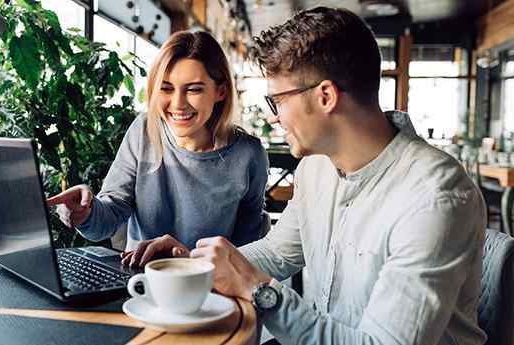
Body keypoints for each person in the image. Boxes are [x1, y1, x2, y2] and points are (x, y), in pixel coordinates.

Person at [129, 7, 487, 345]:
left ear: (326, 96)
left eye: (278, 101)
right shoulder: (316, 167)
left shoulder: (435, 198)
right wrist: (191, 265)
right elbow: (277, 252)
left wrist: (260, 291)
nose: (274, 117)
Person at [47, 30, 269, 267]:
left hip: (210, 287)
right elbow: (108, 217)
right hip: (139, 280)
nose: (178, 104)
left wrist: (188, 261)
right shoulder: (143, 130)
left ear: (220, 92)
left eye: (194, 89)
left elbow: (246, 254)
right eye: (166, 88)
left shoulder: (248, 155)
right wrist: (86, 212)